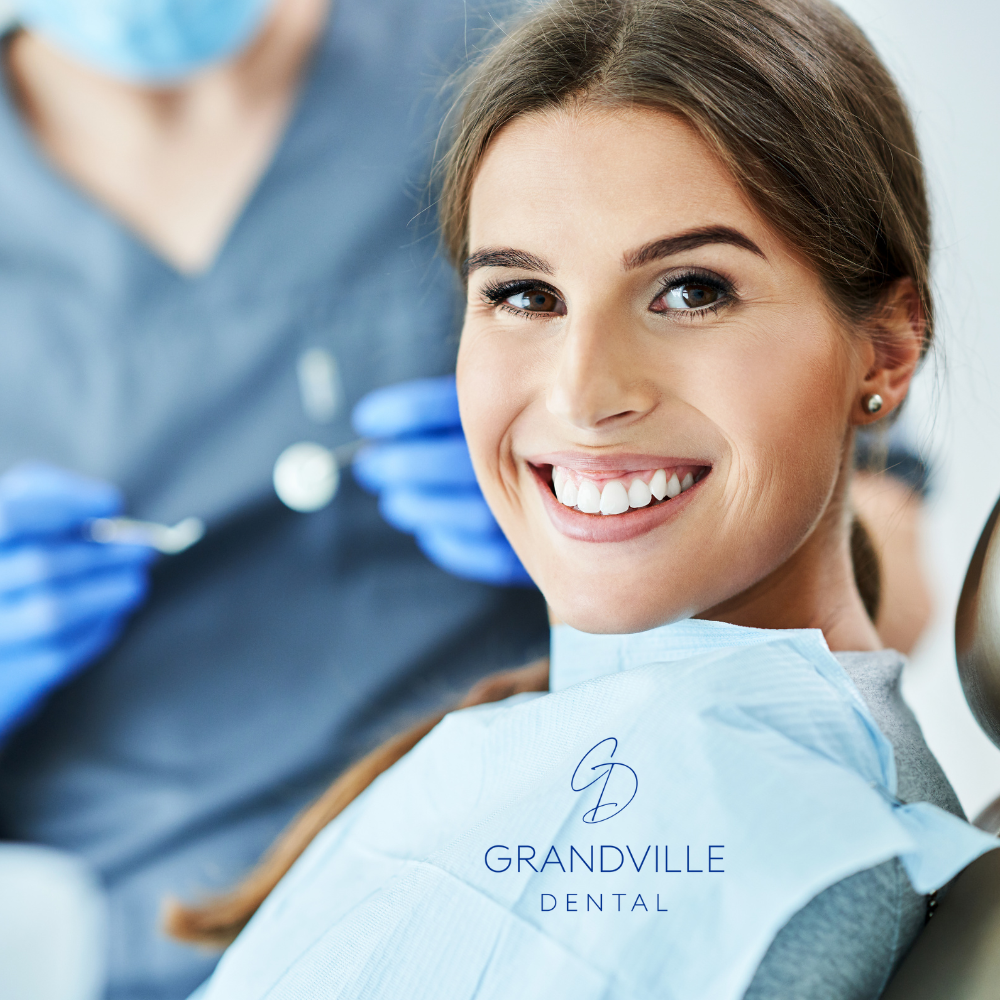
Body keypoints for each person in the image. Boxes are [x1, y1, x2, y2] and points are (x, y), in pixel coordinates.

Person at [168, 1, 1000, 997]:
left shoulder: (754, 837)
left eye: (692, 289)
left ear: (888, 348)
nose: (581, 393)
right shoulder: (559, 752)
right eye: (523, 295)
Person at [0, 2, 548, 998]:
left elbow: (869, 585)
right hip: (143, 951)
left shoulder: (528, 56)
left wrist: (622, 534)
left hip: (536, 880)